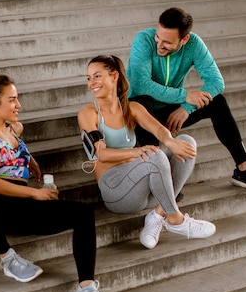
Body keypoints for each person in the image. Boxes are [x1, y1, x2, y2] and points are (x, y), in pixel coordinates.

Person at [0, 74, 119, 292]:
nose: (18, 105)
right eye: (12, 100)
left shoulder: (15, 128)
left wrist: (30, 161)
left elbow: (15, 151)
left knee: (84, 213)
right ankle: (8, 259)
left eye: (17, 99)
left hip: (24, 207)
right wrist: (34, 193)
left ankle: (86, 290)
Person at [126, 7, 246, 195]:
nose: (159, 45)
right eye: (158, 37)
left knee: (218, 102)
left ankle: (244, 169)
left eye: (167, 42)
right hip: (138, 115)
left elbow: (216, 82)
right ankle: (158, 176)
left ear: (184, 39)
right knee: (142, 101)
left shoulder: (194, 44)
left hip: (169, 110)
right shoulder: (144, 40)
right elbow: (141, 85)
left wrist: (186, 107)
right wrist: (184, 96)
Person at [78, 55, 216, 250]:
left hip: (144, 189)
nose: (92, 83)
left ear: (114, 76)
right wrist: (136, 152)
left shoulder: (132, 108)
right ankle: (175, 219)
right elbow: (101, 154)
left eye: (97, 76)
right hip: (116, 191)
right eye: (89, 78)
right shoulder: (88, 114)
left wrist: (169, 141)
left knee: (186, 142)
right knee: (155, 155)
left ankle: (158, 215)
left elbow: (159, 130)